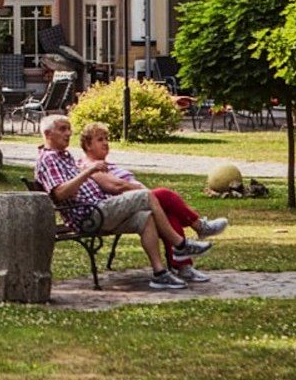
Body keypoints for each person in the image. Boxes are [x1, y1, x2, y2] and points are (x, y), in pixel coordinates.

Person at [34, 115, 213, 289]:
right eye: (62, 129)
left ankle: (160, 274)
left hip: (101, 208)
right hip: (90, 214)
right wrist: (89, 172)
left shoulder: (64, 156)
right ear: (48, 134)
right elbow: (59, 194)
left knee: (146, 217)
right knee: (147, 195)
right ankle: (181, 245)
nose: (68, 133)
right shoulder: (48, 159)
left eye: (69, 129)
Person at [77, 121, 227, 282]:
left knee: (169, 214)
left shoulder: (105, 164)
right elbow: (114, 186)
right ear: (87, 144)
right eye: (100, 139)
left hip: (135, 202)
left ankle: (184, 267)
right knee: (164, 194)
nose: (106, 143)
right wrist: (141, 190)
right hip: (120, 208)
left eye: (107, 138)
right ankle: (199, 226)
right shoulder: (89, 165)